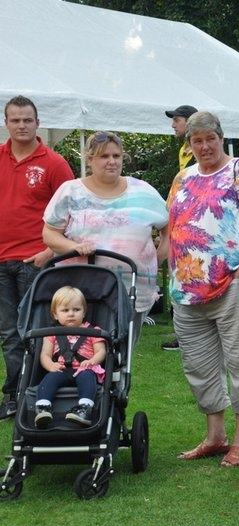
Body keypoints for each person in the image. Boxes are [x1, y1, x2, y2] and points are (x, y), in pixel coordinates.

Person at [169, 111, 239, 467]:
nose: (205, 146)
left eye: (211, 138)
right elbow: (170, 223)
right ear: (189, 145)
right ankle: (215, 437)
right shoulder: (182, 177)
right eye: (197, 141)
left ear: (221, 138)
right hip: (186, 291)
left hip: (230, 285)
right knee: (199, 365)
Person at [42, 131, 168, 347]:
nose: (112, 161)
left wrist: (158, 258)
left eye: (116, 156)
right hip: (81, 291)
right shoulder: (70, 192)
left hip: (133, 291)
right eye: (104, 156)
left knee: (123, 352)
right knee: (82, 350)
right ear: (89, 159)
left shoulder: (144, 191)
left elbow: (170, 229)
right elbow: (49, 234)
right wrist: (74, 246)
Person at [0, 95, 74, 420]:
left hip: (36, 261)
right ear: (6, 123)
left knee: (36, 332)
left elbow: (73, 213)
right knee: (9, 334)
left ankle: (38, 393)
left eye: (27, 120)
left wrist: (50, 252)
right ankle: (14, 396)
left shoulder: (54, 163)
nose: (21, 125)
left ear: (38, 123)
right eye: (15, 120)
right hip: (1, 261)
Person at [33, 286, 106, 428]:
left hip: (84, 369)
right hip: (62, 370)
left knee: (87, 377)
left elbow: (101, 351)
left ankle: (84, 409)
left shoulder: (94, 331)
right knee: (50, 378)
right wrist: (51, 366)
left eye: (76, 310)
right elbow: (45, 355)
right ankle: (42, 408)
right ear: (55, 314)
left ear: (84, 311)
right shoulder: (51, 333)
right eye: (65, 310)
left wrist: (91, 361)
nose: (71, 314)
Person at [161, 104, 198, 351]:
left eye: (177, 120)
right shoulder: (184, 152)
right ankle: (183, 333)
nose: (173, 125)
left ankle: (189, 335)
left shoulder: (198, 152)